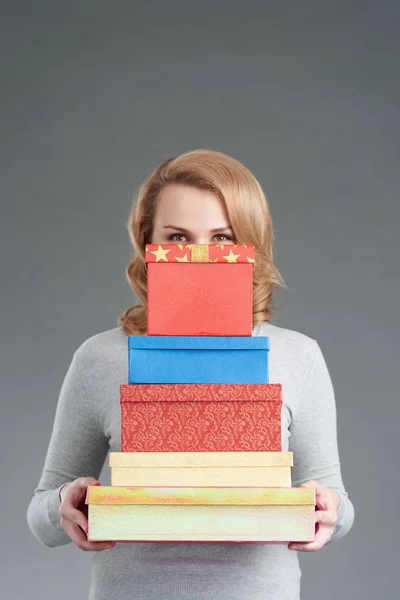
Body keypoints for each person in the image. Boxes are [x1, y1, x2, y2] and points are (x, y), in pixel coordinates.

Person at [27, 149, 354, 600]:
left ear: (249, 247)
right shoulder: (100, 358)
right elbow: (43, 513)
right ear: (148, 245)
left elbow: (336, 502)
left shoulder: (297, 355)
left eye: (221, 239)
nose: (200, 257)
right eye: (178, 238)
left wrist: (327, 512)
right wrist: (66, 505)